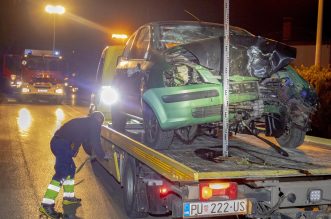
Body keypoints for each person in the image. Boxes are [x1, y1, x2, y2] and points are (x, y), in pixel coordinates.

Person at [39, 111, 107, 218]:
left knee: (70, 169)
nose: (99, 125)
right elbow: (95, 141)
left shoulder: (85, 122)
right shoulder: (94, 124)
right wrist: (102, 155)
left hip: (59, 143)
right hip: (61, 144)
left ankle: (68, 197)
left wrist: (75, 150)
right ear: (99, 120)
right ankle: (46, 204)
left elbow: (83, 142)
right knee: (62, 173)